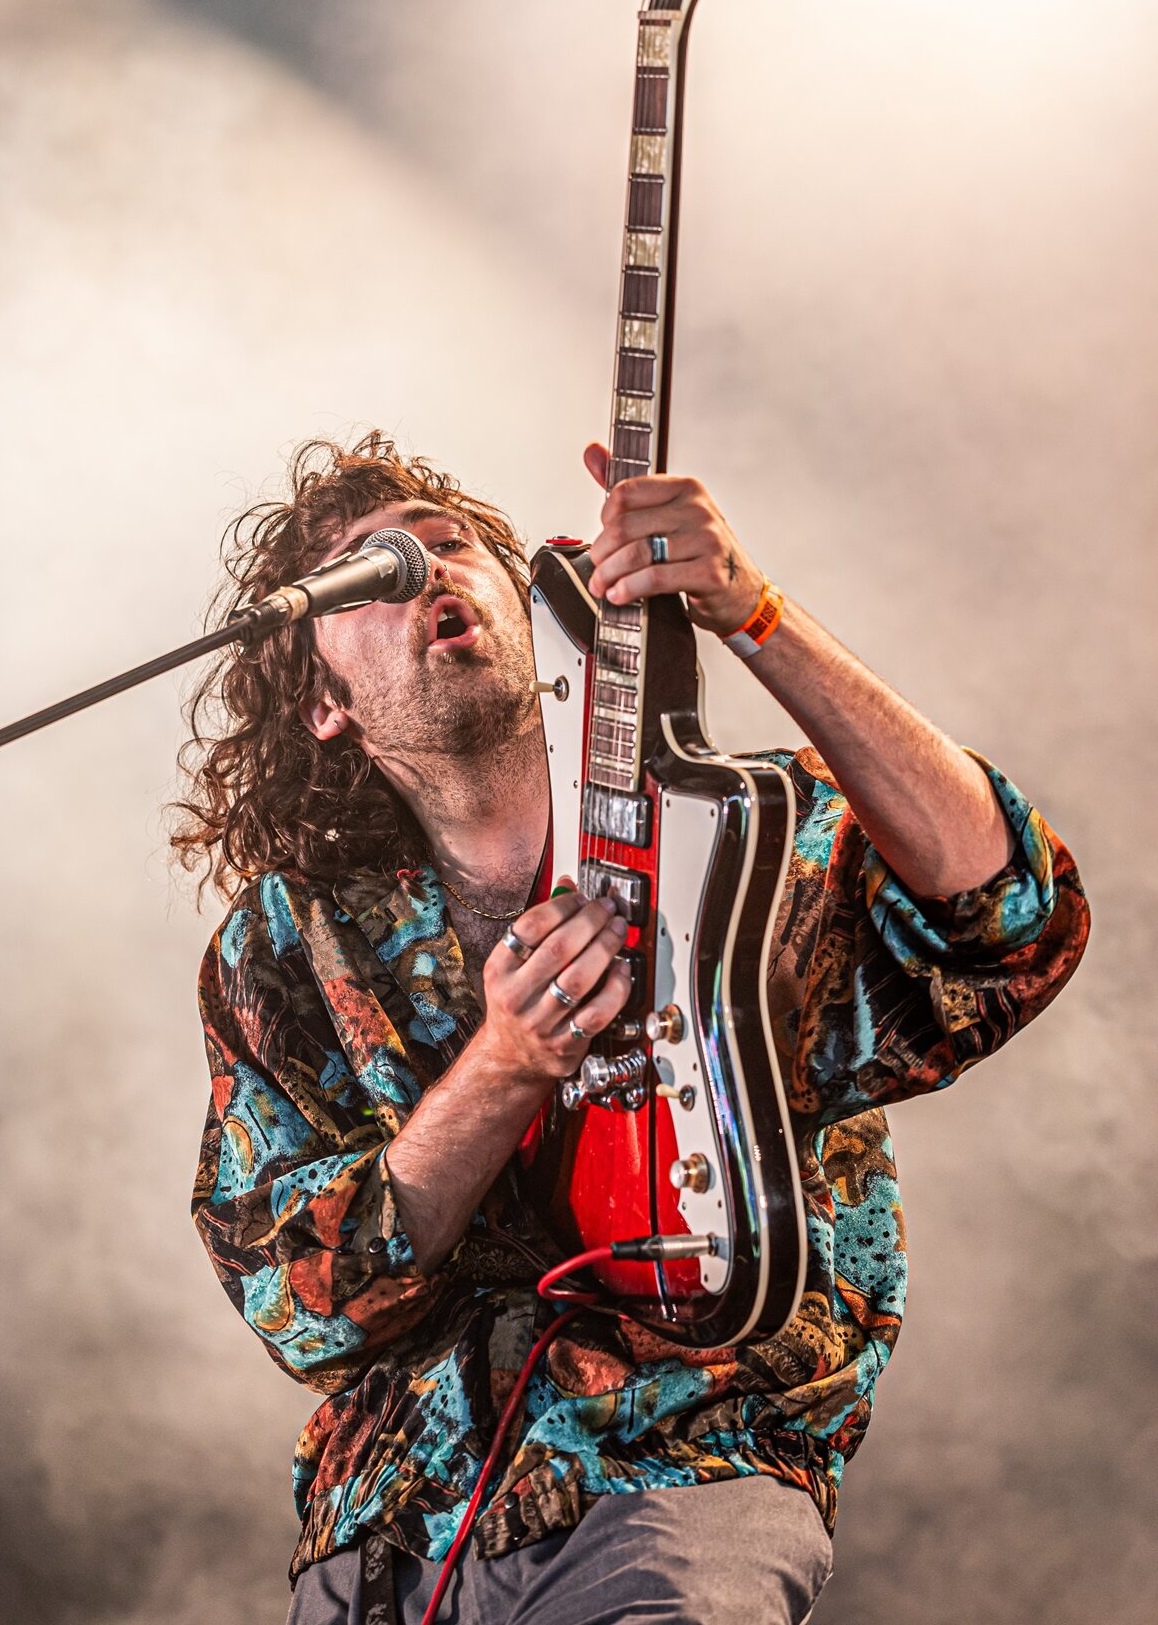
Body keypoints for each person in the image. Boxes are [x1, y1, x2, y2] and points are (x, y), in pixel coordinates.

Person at [173, 429, 1090, 1625]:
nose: (424, 569)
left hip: (674, 1475)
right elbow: (296, 1298)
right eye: (370, 572)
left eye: (449, 546)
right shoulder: (285, 946)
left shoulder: (744, 836)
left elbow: (1009, 923)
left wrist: (754, 613)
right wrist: (505, 1066)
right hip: (384, 1539)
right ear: (322, 705)